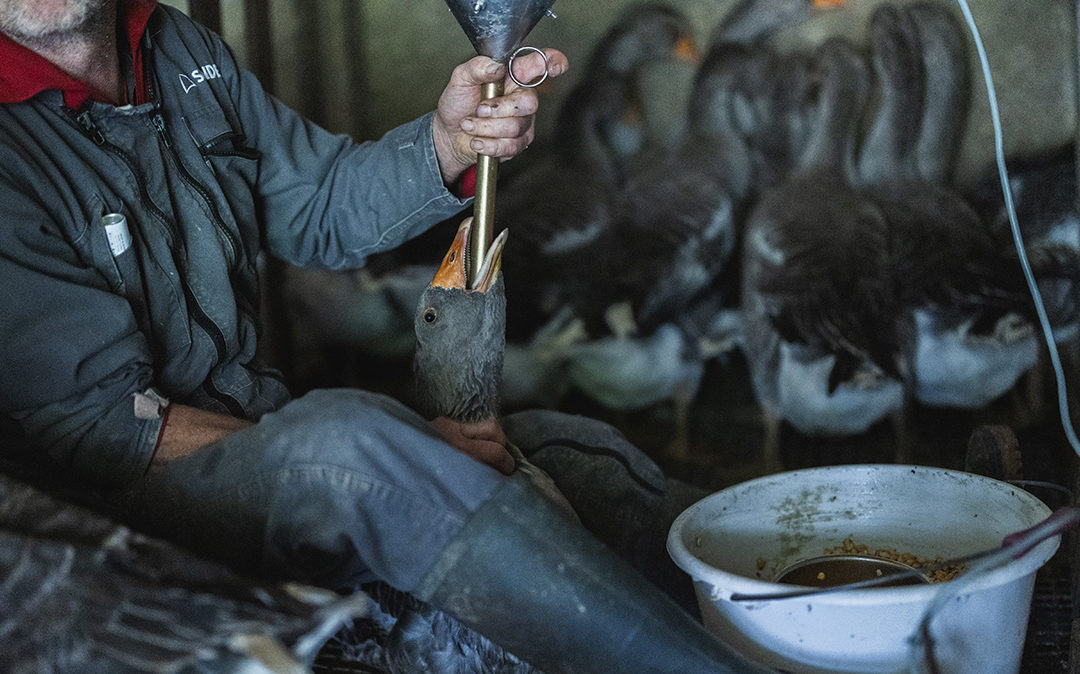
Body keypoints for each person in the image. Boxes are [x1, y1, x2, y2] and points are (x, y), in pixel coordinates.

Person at [0, 1, 759, 671]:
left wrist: (448, 142)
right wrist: (383, 457)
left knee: (571, 452)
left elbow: (319, 204)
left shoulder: (178, 49)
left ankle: (789, 612)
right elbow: (105, 429)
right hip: (122, 509)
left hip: (270, 447)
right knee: (354, 444)